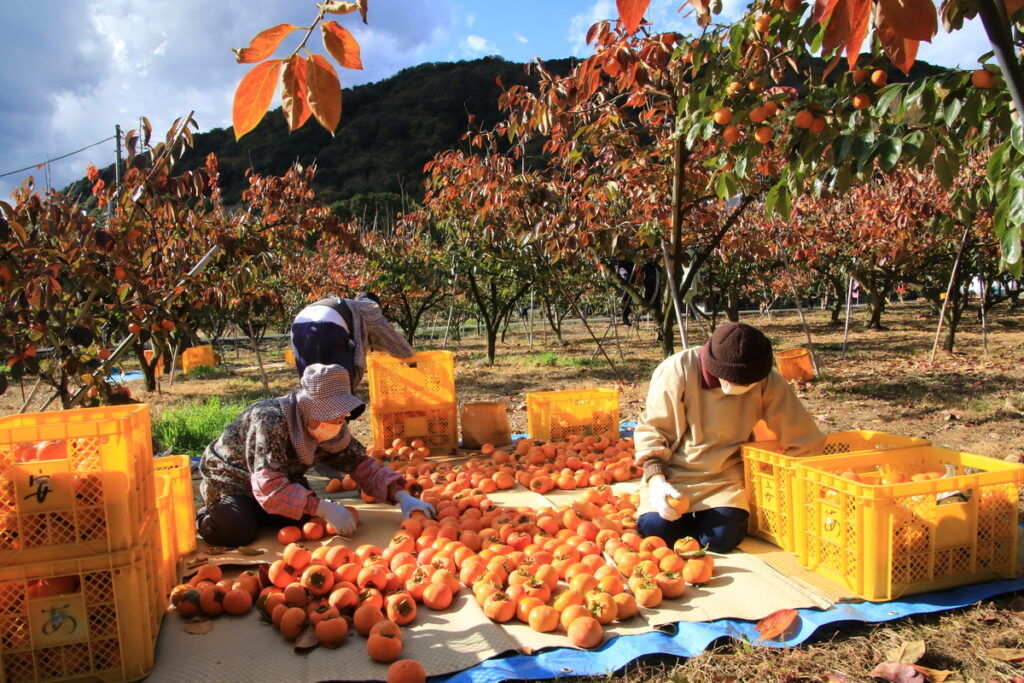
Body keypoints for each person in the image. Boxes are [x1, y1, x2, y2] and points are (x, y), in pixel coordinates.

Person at [633, 323, 825, 553]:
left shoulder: (766, 379)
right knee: (659, 531)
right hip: (674, 473)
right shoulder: (678, 370)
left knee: (721, 538)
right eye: (732, 380)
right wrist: (657, 481)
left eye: (746, 384)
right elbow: (654, 429)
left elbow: (802, 436)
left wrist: (785, 485)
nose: (738, 387)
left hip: (726, 475)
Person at [196, 363, 435, 547]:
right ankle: (208, 513)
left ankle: (257, 509)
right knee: (238, 530)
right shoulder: (269, 419)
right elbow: (268, 483)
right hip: (231, 479)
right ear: (309, 409)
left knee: (299, 519)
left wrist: (401, 494)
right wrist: (322, 507)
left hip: (279, 480)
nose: (338, 422)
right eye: (332, 415)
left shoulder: (331, 429)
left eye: (342, 416)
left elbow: (360, 465)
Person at [290, 292, 415, 419]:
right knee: (337, 389)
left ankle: (312, 430)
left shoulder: (348, 305)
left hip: (299, 326)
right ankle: (337, 432)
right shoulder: (370, 307)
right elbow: (391, 338)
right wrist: (410, 359)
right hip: (328, 326)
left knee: (312, 386)